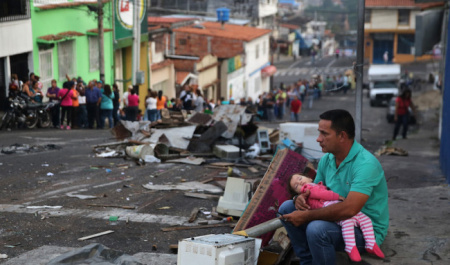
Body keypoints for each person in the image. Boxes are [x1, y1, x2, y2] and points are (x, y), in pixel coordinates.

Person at [278, 109, 389, 265]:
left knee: (316, 229)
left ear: (342, 136)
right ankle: (308, 261)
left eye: (324, 134)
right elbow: (315, 192)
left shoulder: (366, 164)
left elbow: (349, 209)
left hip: (363, 231)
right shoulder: (327, 160)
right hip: (338, 220)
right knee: (286, 208)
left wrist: (306, 216)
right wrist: (299, 198)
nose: (318, 139)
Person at [288, 173, 385, 262]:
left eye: (300, 178)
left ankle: (371, 243)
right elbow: (322, 194)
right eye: (297, 186)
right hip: (330, 207)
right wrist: (337, 196)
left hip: (339, 207)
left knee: (365, 219)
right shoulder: (308, 188)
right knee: (347, 222)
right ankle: (350, 247)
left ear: (309, 177)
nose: (300, 182)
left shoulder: (315, 184)